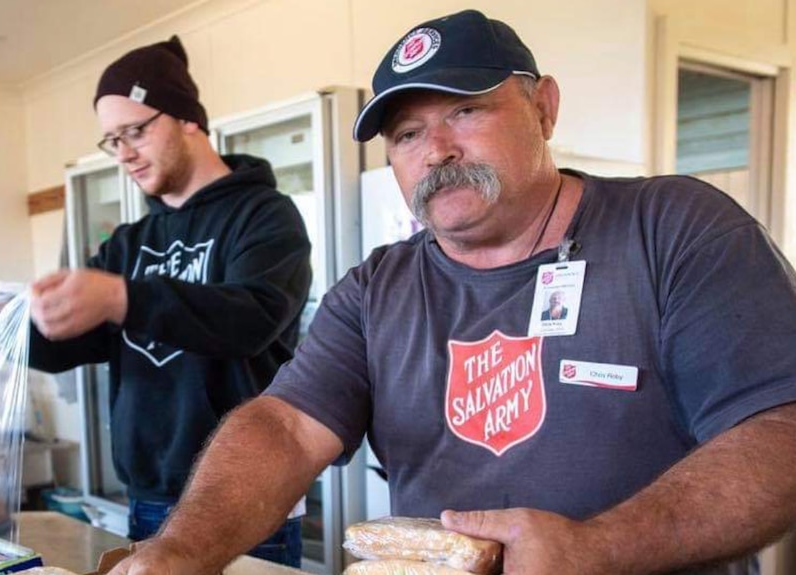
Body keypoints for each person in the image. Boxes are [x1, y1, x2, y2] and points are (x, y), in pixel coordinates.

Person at [103, 10, 796, 575]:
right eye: (407, 133)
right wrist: (184, 548)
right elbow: (284, 426)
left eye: (465, 111)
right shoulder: (379, 287)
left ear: (543, 106)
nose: (435, 150)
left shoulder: (675, 229)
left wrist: (601, 546)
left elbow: (778, 430)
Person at [0, 35, 312, 567]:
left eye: (135, 130)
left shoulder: (265, 215)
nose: (125, 153)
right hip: (150, 497)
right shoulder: (129, 243)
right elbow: (65, 345)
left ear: (187, 118)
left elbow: (250, 319)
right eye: (112, 140)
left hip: (245, 496)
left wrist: (122, 297)